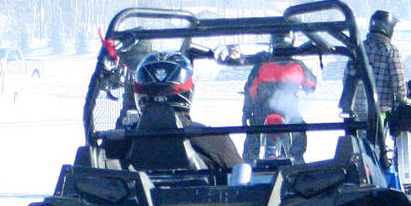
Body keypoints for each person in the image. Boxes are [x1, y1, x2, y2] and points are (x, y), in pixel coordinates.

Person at [123, 51, 242, 170]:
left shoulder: (119, 143)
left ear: (139, 95)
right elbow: (242, 179)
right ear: (188, 92)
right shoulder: (214, 140)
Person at [218, 31, 317, 161]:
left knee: (253, 133)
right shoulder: (297, 65)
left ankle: (250, 162)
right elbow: (311, 85)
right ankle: (297, 160)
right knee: (299, 128)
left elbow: (250, 90)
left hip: (262, 109)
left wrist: (246, 113)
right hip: (287, 109)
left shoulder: (262, 61)